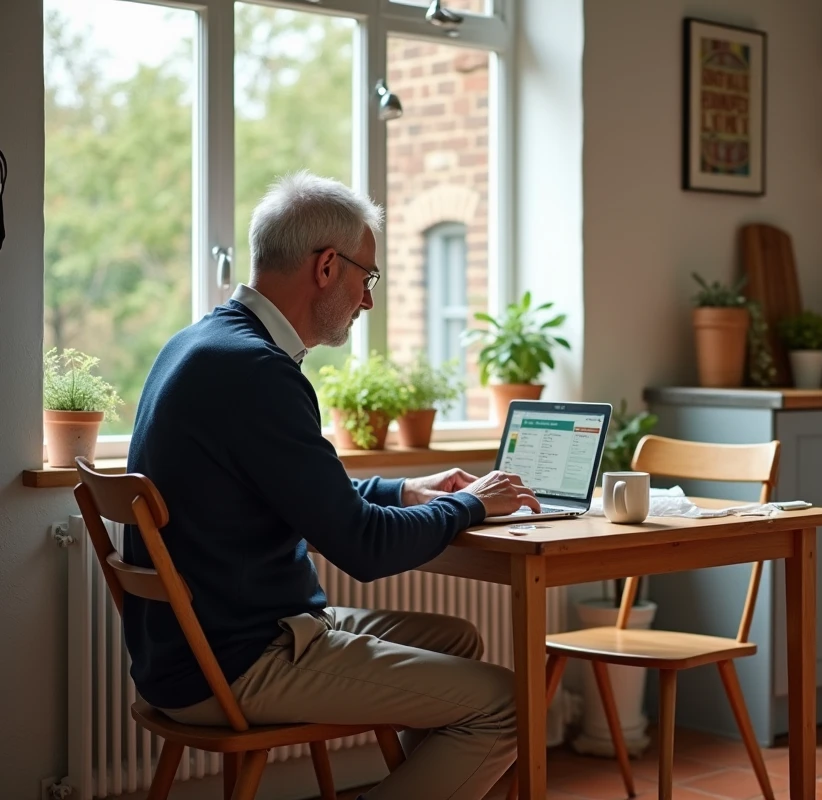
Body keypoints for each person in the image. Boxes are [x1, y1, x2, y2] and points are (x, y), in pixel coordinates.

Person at [123, 170, 541, 800]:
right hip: (238, 662)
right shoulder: (256, 373)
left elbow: (303, 493)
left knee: (459, 639)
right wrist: (469, 505)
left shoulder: (204, 345)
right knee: (510, 703)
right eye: (366, 277)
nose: (368, 299)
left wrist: (406, 492)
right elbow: (364, 549)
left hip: (196, 649)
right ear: (326, 267)